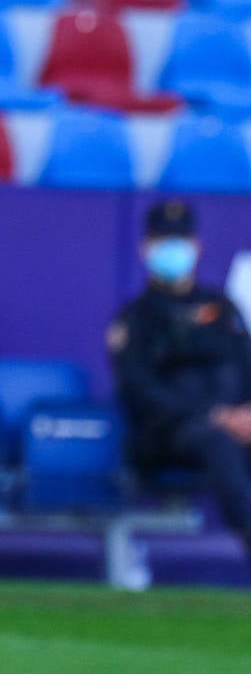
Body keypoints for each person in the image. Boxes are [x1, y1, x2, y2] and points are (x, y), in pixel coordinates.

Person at [109, 198, 251, 562]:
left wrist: (244, 413)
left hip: (236, 423)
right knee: (217, 441)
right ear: (144, 249)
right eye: (162, 242)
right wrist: (215, 415)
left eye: (181, 240)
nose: (173, 250)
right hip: (169, 434)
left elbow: (244, 364)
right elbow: (141, 390)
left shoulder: (221, 308)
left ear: (197, 246)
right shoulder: (136, 318)